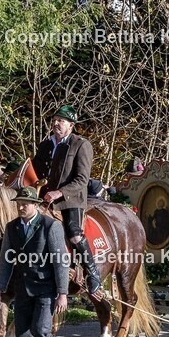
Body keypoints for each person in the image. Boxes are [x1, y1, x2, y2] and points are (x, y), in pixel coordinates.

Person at [0, 186, 70, 337]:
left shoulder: (50, 226)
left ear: (35, 205)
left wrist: (62, 292)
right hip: (22, 289)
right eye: (18, 203)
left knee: (40, 330)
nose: (21, 206)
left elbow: (61, 262)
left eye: (25, 203)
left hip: (45, 289)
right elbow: (6, 260)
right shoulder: (12, 228)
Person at [31, 104, 102, 299]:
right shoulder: (45, 145)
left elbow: (82, 180)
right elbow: (34, 172)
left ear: (71, 125)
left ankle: (93, 273)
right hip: (43, 198)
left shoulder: (81, 144)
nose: (56, 123)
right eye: (54, 120)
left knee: (74, 235)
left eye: (60, 121)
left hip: (70, 200)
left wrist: (59, 193)